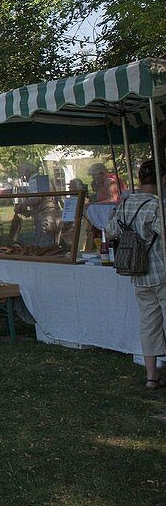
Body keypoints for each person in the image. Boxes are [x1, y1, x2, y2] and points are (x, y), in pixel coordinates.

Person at [106, 159, 166, 390]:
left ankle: (151, 376)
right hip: (161, 272)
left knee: (149, 324)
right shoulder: (156, 206)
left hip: (138, 273)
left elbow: (110, 231)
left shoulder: (126, 203)